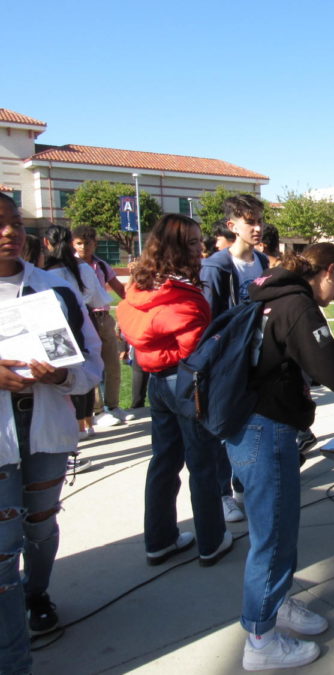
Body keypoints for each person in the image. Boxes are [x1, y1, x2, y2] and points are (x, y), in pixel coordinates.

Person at [226, 244, 334, 671]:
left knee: (275, 530)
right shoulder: (298, 305)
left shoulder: (267, 293)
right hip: (266, 427)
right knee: (273, 538)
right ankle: (260, 641)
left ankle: (276, 602)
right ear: (329, 271)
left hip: (249, 423)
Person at [0, 193, 102, 673]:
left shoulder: (53, 290)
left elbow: (91, 364)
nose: (9, 232)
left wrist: (61, 377)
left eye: (15, 221)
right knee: (3, 552)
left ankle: (37, 595)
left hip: (45, 433)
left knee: (40, 527)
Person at [117, 214, 233, 569]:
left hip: (157, 382)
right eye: (196, 242)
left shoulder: (141, 287)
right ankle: (212, 541)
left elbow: (138, 336)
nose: (204, 248)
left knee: (164, 462)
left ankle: (160, 539)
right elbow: (195, 354)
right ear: (179, 249)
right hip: (185, 385)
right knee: (203, 463)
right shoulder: (185, 296)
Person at [201, 194, 270, 523]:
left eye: (260, 221)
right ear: (232, 226)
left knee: (247, 425)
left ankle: (242, 484)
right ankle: (222, 493)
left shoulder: (263, 263)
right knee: (222, 428)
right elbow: (209, 321)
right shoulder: (216, 267)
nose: (257, 228)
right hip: (226, 362)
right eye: (250, 222)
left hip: (256, 359)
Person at [43, 224, 112, 446]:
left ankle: (72, 426)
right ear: (71, 242)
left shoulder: (43, 272)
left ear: (47, 243)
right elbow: (100, 300)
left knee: (62, 374)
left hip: (54, 328)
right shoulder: (82, 269)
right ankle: (86, 422)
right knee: (84, 372)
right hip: (82, 322)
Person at [72, 225, 129, 427]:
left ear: (95, 244)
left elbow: (120, 290)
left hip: (104, 317)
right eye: (79, 243)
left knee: (112, 363)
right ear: (73, 244)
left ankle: (113, 406)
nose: (83, 247)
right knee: (93, 364)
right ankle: (96, 410)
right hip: (86, 317)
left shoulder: (102, 266)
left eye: (88, 243)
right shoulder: (71, 266)